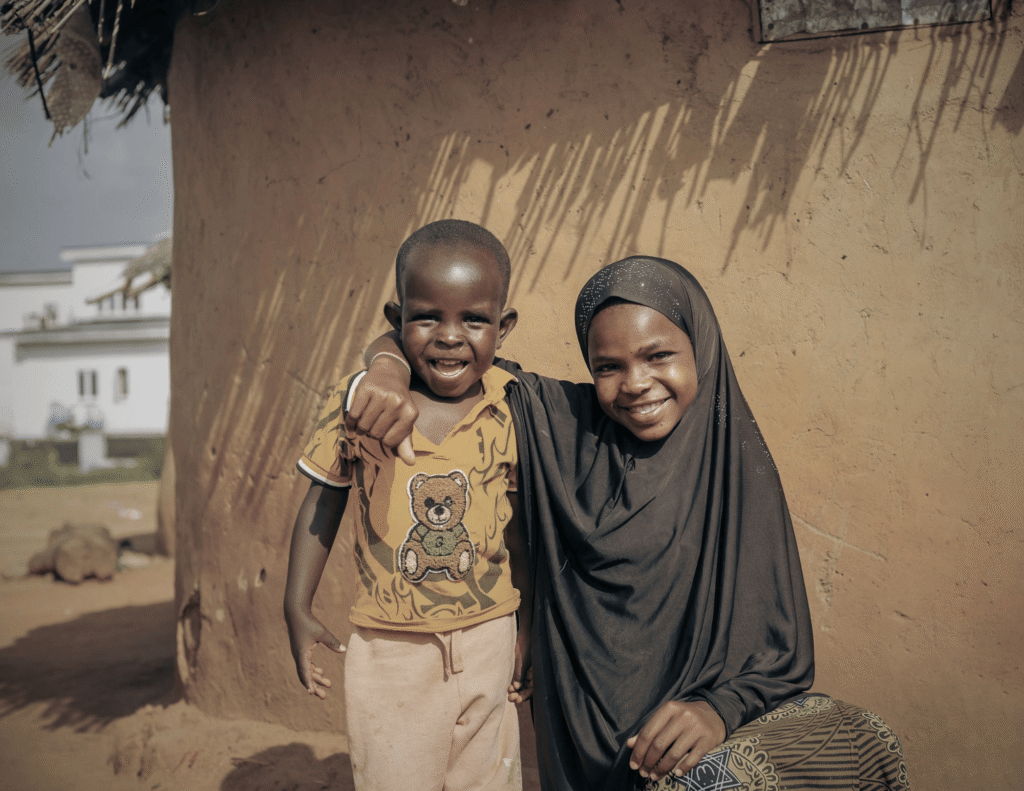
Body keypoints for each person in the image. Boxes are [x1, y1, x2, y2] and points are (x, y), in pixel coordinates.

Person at [352, 256, 911, 791]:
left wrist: (717, 711)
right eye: (608, 367)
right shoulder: (562, 428)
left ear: (702, 349)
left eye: (659, 356)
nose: (636, 383)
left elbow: (779, 656)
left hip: (705, 732)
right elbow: (448, 354)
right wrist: (385, 366)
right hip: (595, 747)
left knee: (858, 742)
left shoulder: (735, 468)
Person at [284, 219, 531, 791]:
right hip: (390, 648)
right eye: (427, 317)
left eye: (474, 319)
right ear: (396, 322)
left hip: (490, 634)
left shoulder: (512, 408)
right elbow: (323, 502)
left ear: (504, 326)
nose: (449, 336)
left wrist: (527, 625)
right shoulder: (362, 404)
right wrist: (296, 605)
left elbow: (517, 531)